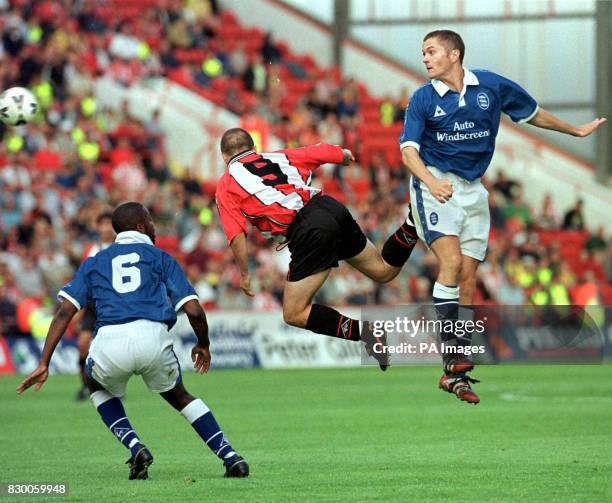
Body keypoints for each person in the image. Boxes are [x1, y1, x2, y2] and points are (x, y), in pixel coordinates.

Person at [399, 29, 606, 403]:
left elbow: (532, 113)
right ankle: (454, 351)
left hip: (474, 189)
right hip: (435, 184)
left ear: (454, 54)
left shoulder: (490, 87)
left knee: (468, 275)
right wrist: (430, 181)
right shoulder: (423, 99)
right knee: (448, 261)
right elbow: (408, 152)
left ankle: (454, 376)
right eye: (423, 52)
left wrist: (574, 130)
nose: (425, 58)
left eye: (431, 52)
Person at [17, 202, 249, 480]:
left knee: (96, 386)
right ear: (141, 226)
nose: (154, 226)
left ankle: (135, 446)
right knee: (180, 396)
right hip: (153, 336)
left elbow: (65, 311)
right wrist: (204, 344)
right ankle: (230, 457)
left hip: (109, 340)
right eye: (150, 221)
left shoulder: (94, 262)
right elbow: (195, 310)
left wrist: (44, 361)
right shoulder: (160, 257)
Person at [215, 128, 419, 370]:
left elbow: (236, 234)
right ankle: (413, 222)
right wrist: (342, 155)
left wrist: (245, 273)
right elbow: (318, 152)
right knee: (384, 271)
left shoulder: (226, 184)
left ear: (224, 157)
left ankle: (367, 333)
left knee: (293, 313)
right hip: (330, 207)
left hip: (308, 230)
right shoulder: (276, 156)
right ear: (254, 148)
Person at [75, 211, 115, 401]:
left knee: (109, 349)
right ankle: (85, 386)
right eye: (103, 224)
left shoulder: (121, 247)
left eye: (109, 223)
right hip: (93, 304)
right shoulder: (92, 250)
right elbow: (83, 279)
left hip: (113, 304)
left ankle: (109, 387)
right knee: (83, 344)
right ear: (97, 227)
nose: (106, 228)